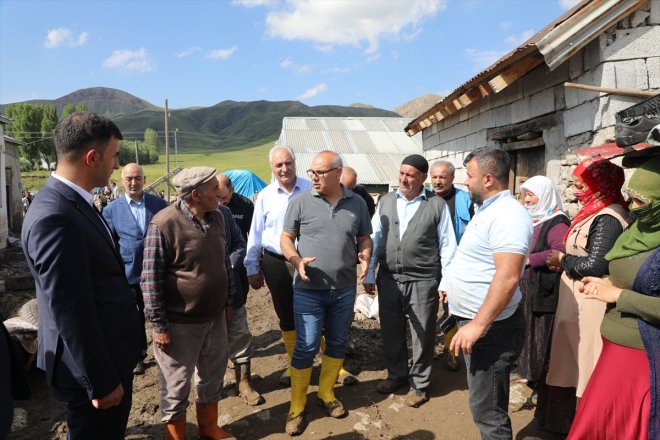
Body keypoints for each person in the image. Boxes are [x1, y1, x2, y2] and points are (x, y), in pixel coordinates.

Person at [21, 112, 143, 439]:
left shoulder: (74, 203)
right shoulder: (55, 216)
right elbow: (70, 311)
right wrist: (100, 382)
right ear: (92, 157)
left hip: (106, 355)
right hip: (92, 371)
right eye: (115, 156)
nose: (117, 166)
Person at [439, 147, 532, 439]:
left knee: (487, 410)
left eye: (470, 176)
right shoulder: (488, 210)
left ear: (488, 179)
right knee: (484, 401)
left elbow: (508, 277)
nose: (466, 182)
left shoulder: (508, 215)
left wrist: (478, 324)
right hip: (478, 322)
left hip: (492, 329)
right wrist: (450, 284)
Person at [244, 145, 356, 387]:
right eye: (278, 165)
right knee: (286, 315)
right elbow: (256, 234)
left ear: (295, 163)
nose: (284, 169)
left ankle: (337, 367)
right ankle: (293, 363)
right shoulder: (265, 196)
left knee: (325, 312)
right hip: (276, 261)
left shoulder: (312, 186)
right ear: (272, 168)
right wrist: (252, 267)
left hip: (313, 261)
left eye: (288, 163)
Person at [566, 156, 660, 440]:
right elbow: (623, 271)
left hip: (643, 357)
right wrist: (606, 282)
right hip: (614, 351)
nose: (632, 207)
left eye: (641, 202)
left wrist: (618, 295)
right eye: (631, 198)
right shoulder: (636, 229)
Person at [280, 150, 372, 435]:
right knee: (306, 347)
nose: (314, 178)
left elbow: (364, 238)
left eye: (320, 173)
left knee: (336, 343)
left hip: (344, 290)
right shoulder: (300, 202)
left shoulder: (357, 203)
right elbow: (286, 238)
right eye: (312, 172)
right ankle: (297, 406)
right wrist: (296, 260)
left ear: (337, 173)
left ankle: (326, 394)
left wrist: (366, 256)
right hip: (308, 290)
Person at [141, 167, 236, 440]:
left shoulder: (218, 217)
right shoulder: (163, 224)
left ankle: (208, 429)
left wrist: (227, 302)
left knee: (212, 375)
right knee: (176, 385)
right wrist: (159, 325)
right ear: (195, 194)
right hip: (179, 324)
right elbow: (149, 281)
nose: (219, 192)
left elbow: (224, 263)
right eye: (213, 188)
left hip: (214, 318)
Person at [543, 157, 630, 434]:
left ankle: (584, 427)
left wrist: (562, 259)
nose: (577, 188)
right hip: (575, 300)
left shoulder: (608, 216)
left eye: (584, 183)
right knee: (570, 364)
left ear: (600, 185)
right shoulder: (595, 211)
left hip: (589, 301)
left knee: (584, 366)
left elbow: (596, 264)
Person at [364, 154, 457, 407]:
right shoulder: (385, 201)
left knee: (423, 333)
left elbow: (448, 246)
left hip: (423, 279)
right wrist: (370, 271)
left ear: (423, 179)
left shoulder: (436, 205)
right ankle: (396, 375)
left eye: (411, 175)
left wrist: (445, 282)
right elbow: (375, 238)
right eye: (402, 174)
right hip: (389, 279)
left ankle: (420, 383)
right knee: (391, 331)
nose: (404, 179)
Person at [103, 163, 168, 375]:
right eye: (129, 179)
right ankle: (138, 355)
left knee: (160, 312)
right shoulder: (111, 210)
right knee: (133, 318)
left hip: (158, 273)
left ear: (144, 179)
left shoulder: (159, 205)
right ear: (122, 181)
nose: (133, 182)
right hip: (129, 275)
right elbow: (110, 244)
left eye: (137, 178)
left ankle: (165, 353)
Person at [515, 176, 569, 403]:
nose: (526, 200)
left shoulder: (557, 222)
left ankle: (536, 379)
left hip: (541, 287)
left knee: (538, 332)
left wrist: (528, 259)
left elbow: (559, 251)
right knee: (524, 330)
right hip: (525, 284)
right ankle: (526, 373)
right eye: (524, 195)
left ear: (544, 195)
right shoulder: (531, 218)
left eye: (531, 195)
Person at [216, 174, 264, 406]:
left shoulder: (240, 208)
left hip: (234, 281)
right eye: (215, 197)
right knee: (208, 342)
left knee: (239, 331)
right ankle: (210, 387)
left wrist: (233, 265)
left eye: (223, 198)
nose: (220, 202)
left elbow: (245, 241)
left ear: (231, 192)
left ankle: (244, 382)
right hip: (204, 293)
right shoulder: (181, 216)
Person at [429, 160, 474, 371]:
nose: (437, 182)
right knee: (426, 307)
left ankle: (451, 352)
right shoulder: (424, 199)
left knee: (452, 307)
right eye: (435, 177)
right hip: (428, 264)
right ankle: (426, 349)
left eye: (442, 177)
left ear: (451, 178)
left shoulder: (466, 200)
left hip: (456, 263)